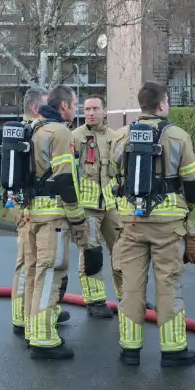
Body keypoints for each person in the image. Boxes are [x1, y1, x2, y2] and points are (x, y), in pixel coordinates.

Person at [110, 81, 195, 367]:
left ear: (142, 105)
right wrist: (187, 209)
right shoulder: (177, 136)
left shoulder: (121, 136)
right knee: (169, 283)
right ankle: (173, 350)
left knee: (132, 287)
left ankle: (130, 349)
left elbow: (114, 179)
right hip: (168, 224)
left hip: (131, 223)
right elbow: (192, 182)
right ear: (162, 104)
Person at [23, 85, 103, 360]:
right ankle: (44, 339)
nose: (77, 109)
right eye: (75, 104)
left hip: (34, 212)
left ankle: (34, 331)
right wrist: (78, 218)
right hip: (54, 215)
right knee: (51, 274)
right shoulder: (60, 132)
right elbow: (65, 180)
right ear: (64, 106)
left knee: (36, 274)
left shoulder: (35, 128)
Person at [9, 87, 70, 340]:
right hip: (40, 210)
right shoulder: (44, 131)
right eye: (45, 105)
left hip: (27, 207)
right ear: (36, 108)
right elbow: (63, 178)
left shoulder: (25, 132)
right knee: (34, 266)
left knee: (31, 266)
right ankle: (30, 323)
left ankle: (27, 317)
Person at [71, 95, 124, 319]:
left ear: (105, 111)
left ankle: (128, 297)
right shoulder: (75, 137)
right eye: (86, 109)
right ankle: (95, 301)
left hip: (112, 205)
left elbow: (122, 172)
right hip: (87, 207)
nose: (90, 113)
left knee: (123, 252)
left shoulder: (116, 137)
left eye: (95, 108)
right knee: (91, 253)